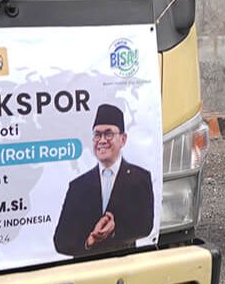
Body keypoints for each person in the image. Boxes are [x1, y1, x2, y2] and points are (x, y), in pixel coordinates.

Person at [54, 103, 156, 256]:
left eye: (108, 134)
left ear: (123, 139)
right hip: (85, 270)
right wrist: (89, 241)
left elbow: (145, 226)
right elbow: (61, 240)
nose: (102, 140)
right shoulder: (78, 186)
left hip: (124, 266)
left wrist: (114, 230)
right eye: (97, 135)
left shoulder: (139, 178)